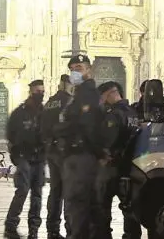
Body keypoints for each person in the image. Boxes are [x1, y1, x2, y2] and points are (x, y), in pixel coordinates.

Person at [60, 54, 103, 239]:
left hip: (82, 153)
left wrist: (99, 152)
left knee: (78, 203)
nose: (75, 72)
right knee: (83, 203)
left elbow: (88, 125)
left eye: (79, 67)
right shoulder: (77, 93)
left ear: (88, 69)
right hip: (78, 154)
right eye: (72, 69)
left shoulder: (88, 93)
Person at [95, 81, 142, 239]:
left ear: (109, 94)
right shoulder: (133, 113)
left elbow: (107, 140)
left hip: (112, 167)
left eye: (102, 98)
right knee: (129, 209)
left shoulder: (114, 115)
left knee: (102, 208)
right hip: (131, 168)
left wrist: (101, 156)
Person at [4, 79, 46, 239]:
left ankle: (33, 230)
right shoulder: (19, 112)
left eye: (42, 92)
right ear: (31, 91)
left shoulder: (44, 112)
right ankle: (10, 226)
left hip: (40, 158)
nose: (40, 95)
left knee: (37, 195)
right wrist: (17, 153)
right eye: (37, 91)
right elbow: (10, 134)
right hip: (24, 157)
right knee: (22, 191)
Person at [40, 74, 73, 239]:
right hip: (64, 151)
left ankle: (52, 229)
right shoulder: (69, 101)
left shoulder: (49, 102)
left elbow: (42, 124)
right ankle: (70, 229)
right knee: (69, 190)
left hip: (51, 151)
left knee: (55, 190)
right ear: (67, 84)